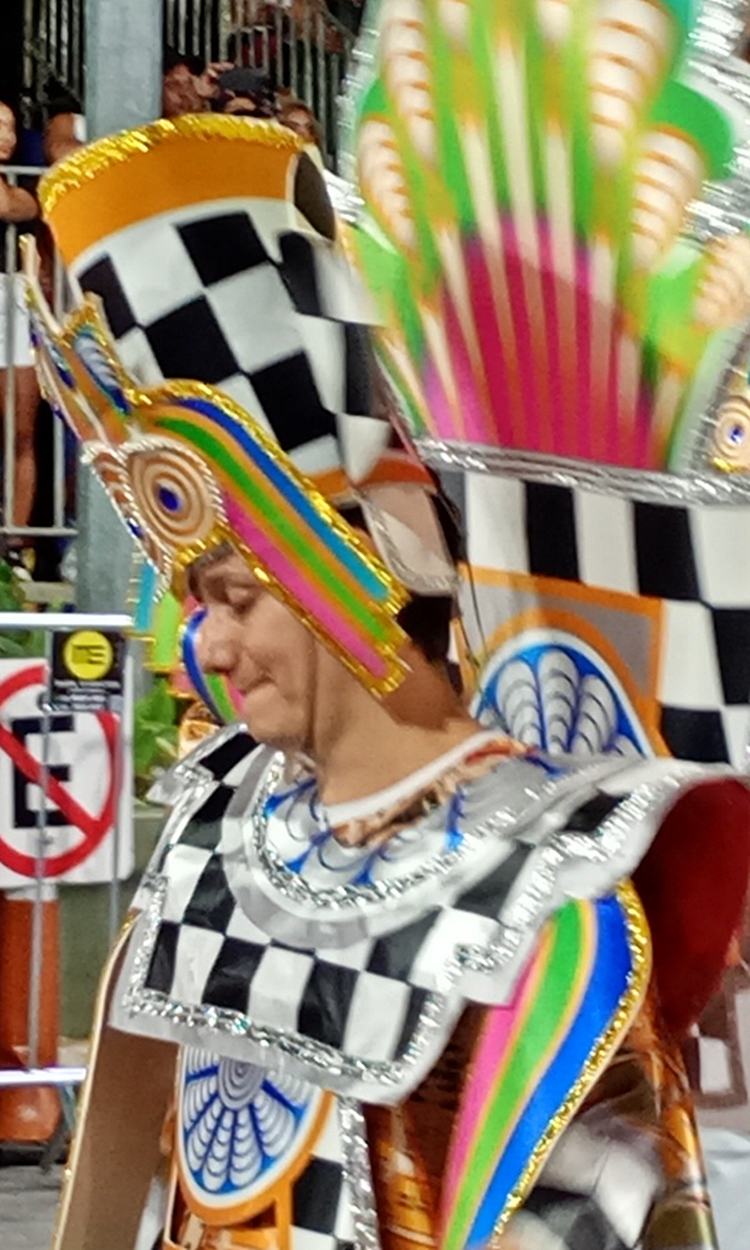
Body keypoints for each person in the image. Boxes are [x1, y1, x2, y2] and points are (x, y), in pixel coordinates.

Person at [25, 107, 750, 1250]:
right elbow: (139, 1193)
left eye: (236, 596)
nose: (207, 649)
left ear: (368, 559)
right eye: (197, 602)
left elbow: (599, 1210)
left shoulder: (549, 884)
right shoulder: (214, 830)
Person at [0, 100, 40, 534]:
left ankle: (15, 541)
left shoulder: (23, 183)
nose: (7, 137)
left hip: (9, 297)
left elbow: (11, 206)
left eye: (11, 127)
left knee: (19, 431)